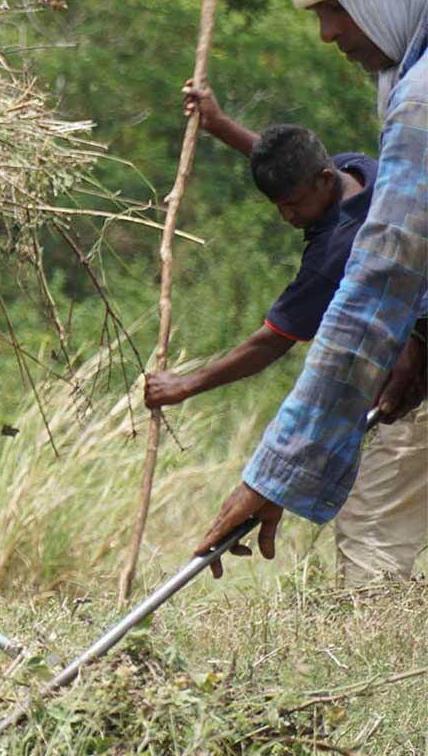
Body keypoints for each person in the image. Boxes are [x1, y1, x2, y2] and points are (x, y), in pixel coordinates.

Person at [200, 0, 428, 577]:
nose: (328, 33)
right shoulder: (400, 83)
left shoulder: (420, 102)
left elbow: (378, 282)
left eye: (335, 10)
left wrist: (275, 470)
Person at [144, 98, 424, 582]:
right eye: (279, 205)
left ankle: (371, 628)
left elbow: (270, 344)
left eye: (293, 205)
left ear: (322, 183)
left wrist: (184, 386)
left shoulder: (339, 250)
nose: (287, 216)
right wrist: (219, 126)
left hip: (416, 382)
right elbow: (285, 161)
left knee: (369, 525)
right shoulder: (363, 172)